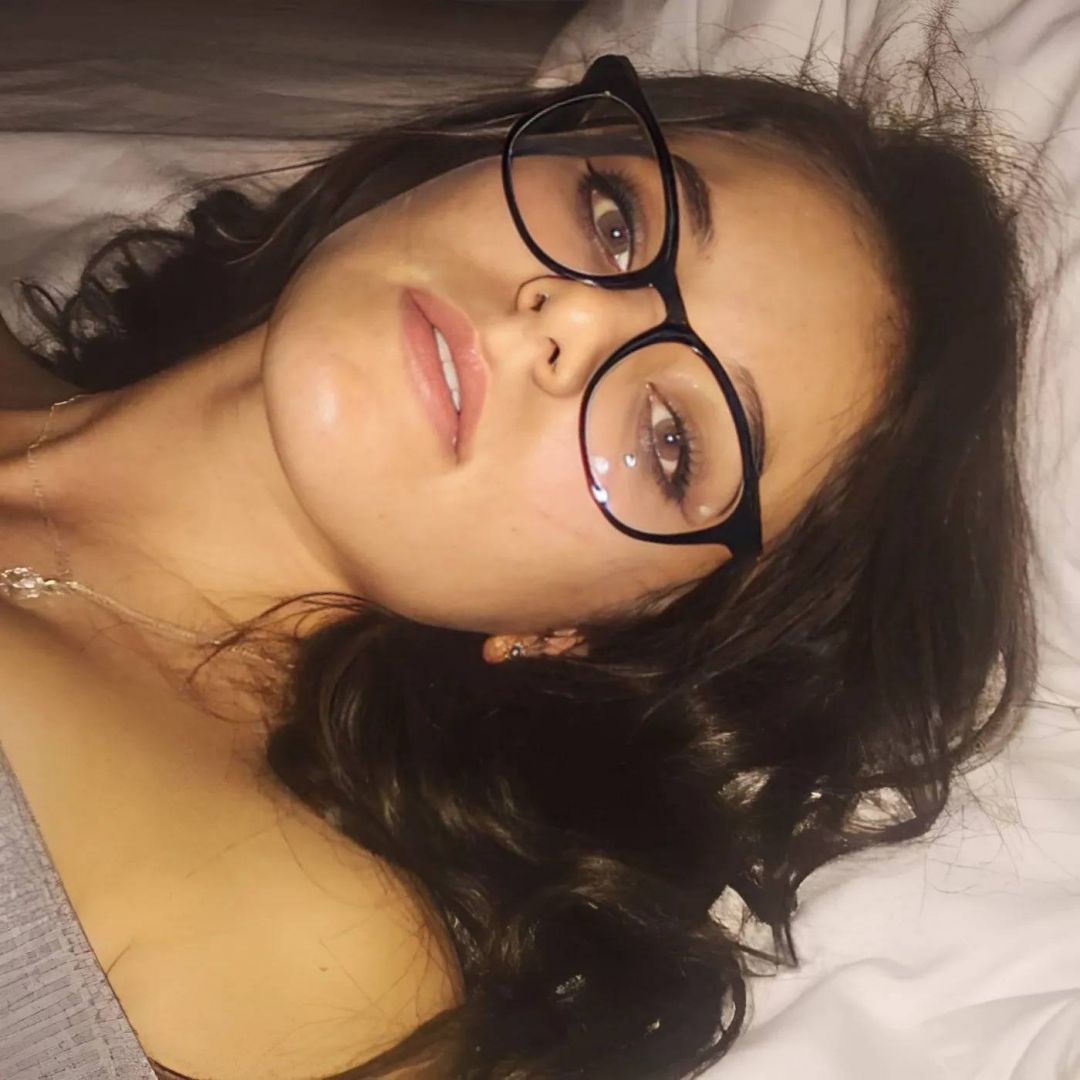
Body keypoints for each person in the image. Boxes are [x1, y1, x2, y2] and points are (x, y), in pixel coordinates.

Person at [0, 26, 1043, 1080]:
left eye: (670, 441)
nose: (574, 315)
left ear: (587, 630)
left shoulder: (298, 951)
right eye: (615, 219)